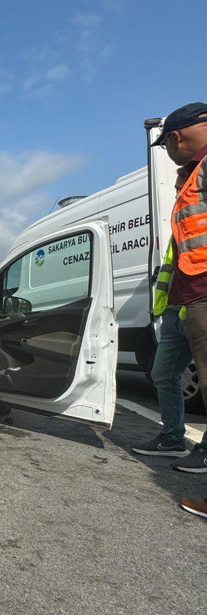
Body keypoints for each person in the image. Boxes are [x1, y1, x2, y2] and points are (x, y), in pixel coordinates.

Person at [152, 101, 207, 474]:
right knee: (163, 374)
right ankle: (172, 438)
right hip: (181, 304)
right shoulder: (193, 174)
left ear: (175, 138)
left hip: (200, 296)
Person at [131, 169, 190, 457]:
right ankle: (172, 437)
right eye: (177, 188)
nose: (178, 193)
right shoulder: (180, 227)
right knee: (162, 375)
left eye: (182, 187)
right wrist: (164, 307)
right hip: (173, 311)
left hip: (196, 310)